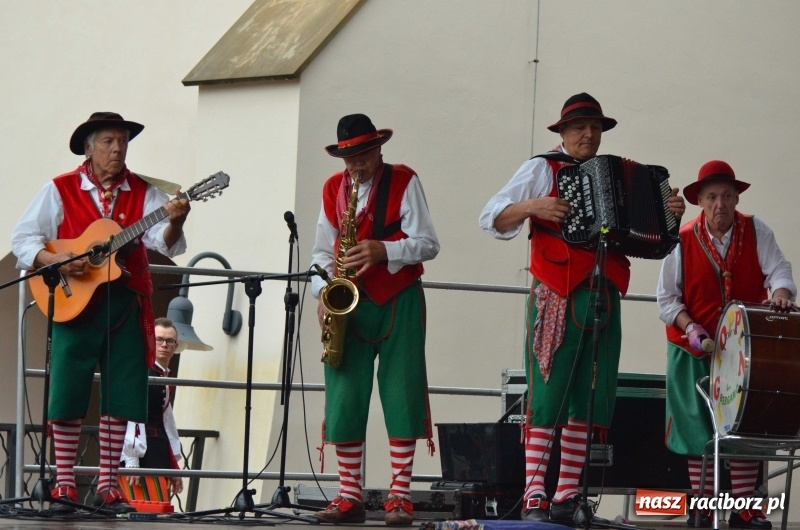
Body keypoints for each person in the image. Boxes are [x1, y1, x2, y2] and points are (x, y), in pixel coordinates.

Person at [479, 93, 685, 523]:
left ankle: (567, 495)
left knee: (591, 395)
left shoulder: (611, 174)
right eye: (579, 128)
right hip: (556, 292)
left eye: (594, 128)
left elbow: (645, 236)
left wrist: (667, 216)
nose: (589, 134)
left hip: (603, 294)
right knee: (549, 392)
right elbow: (491, 217)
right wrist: (531, 206)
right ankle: (535, 494)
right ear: (562, 133)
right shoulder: (541, 168)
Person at [11, 112, 190, 513]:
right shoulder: (59, 189)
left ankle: (108, 486)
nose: (117, 149)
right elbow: (23, 238)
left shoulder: (144, 192)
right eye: (108, 141)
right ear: (89, 147)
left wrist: (177, 222)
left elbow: (168, 244)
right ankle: (64, 486)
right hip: (74, 305)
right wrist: (53, 260)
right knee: (67, 392)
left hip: (125, 302)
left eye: (123, 141)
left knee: (122, 393)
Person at [309, 113, 440, 526]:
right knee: (344, 394)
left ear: (379, 148)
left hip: (398, 298)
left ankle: (399, 496)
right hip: (349, 303)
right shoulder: (334, 188)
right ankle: (349, 495)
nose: (356, 164)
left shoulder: (404, 181)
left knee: (402, 391)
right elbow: (319, 255)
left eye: (363, 154)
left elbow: (428, 244)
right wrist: (323, 291)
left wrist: (384, 250)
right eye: (349, 157)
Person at [657, 160, 795, 529]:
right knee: (695, 430)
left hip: (742, 352)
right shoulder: (681, 239)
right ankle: (702, 509)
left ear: (736, 199)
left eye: (727, 196)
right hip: (693, 349)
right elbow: (667, 300)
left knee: (743, 427)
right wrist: (691, 329)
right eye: (713, 196)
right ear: (700, 201)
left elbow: (779, 269)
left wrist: (780, 293)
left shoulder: (756, 230)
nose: (721, 204)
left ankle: (744, 510)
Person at [121, 317, 183, 497]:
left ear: (176, 346)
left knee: (156, 512)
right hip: (141, 455)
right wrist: (132, 459)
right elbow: (132, 413)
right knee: (138, 510)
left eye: (169, 340)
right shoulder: (142, 372)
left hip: (159, 452)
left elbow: (167, 421)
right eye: (159, 339)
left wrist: (173, 464)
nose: (164, 344)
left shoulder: (164, 376)